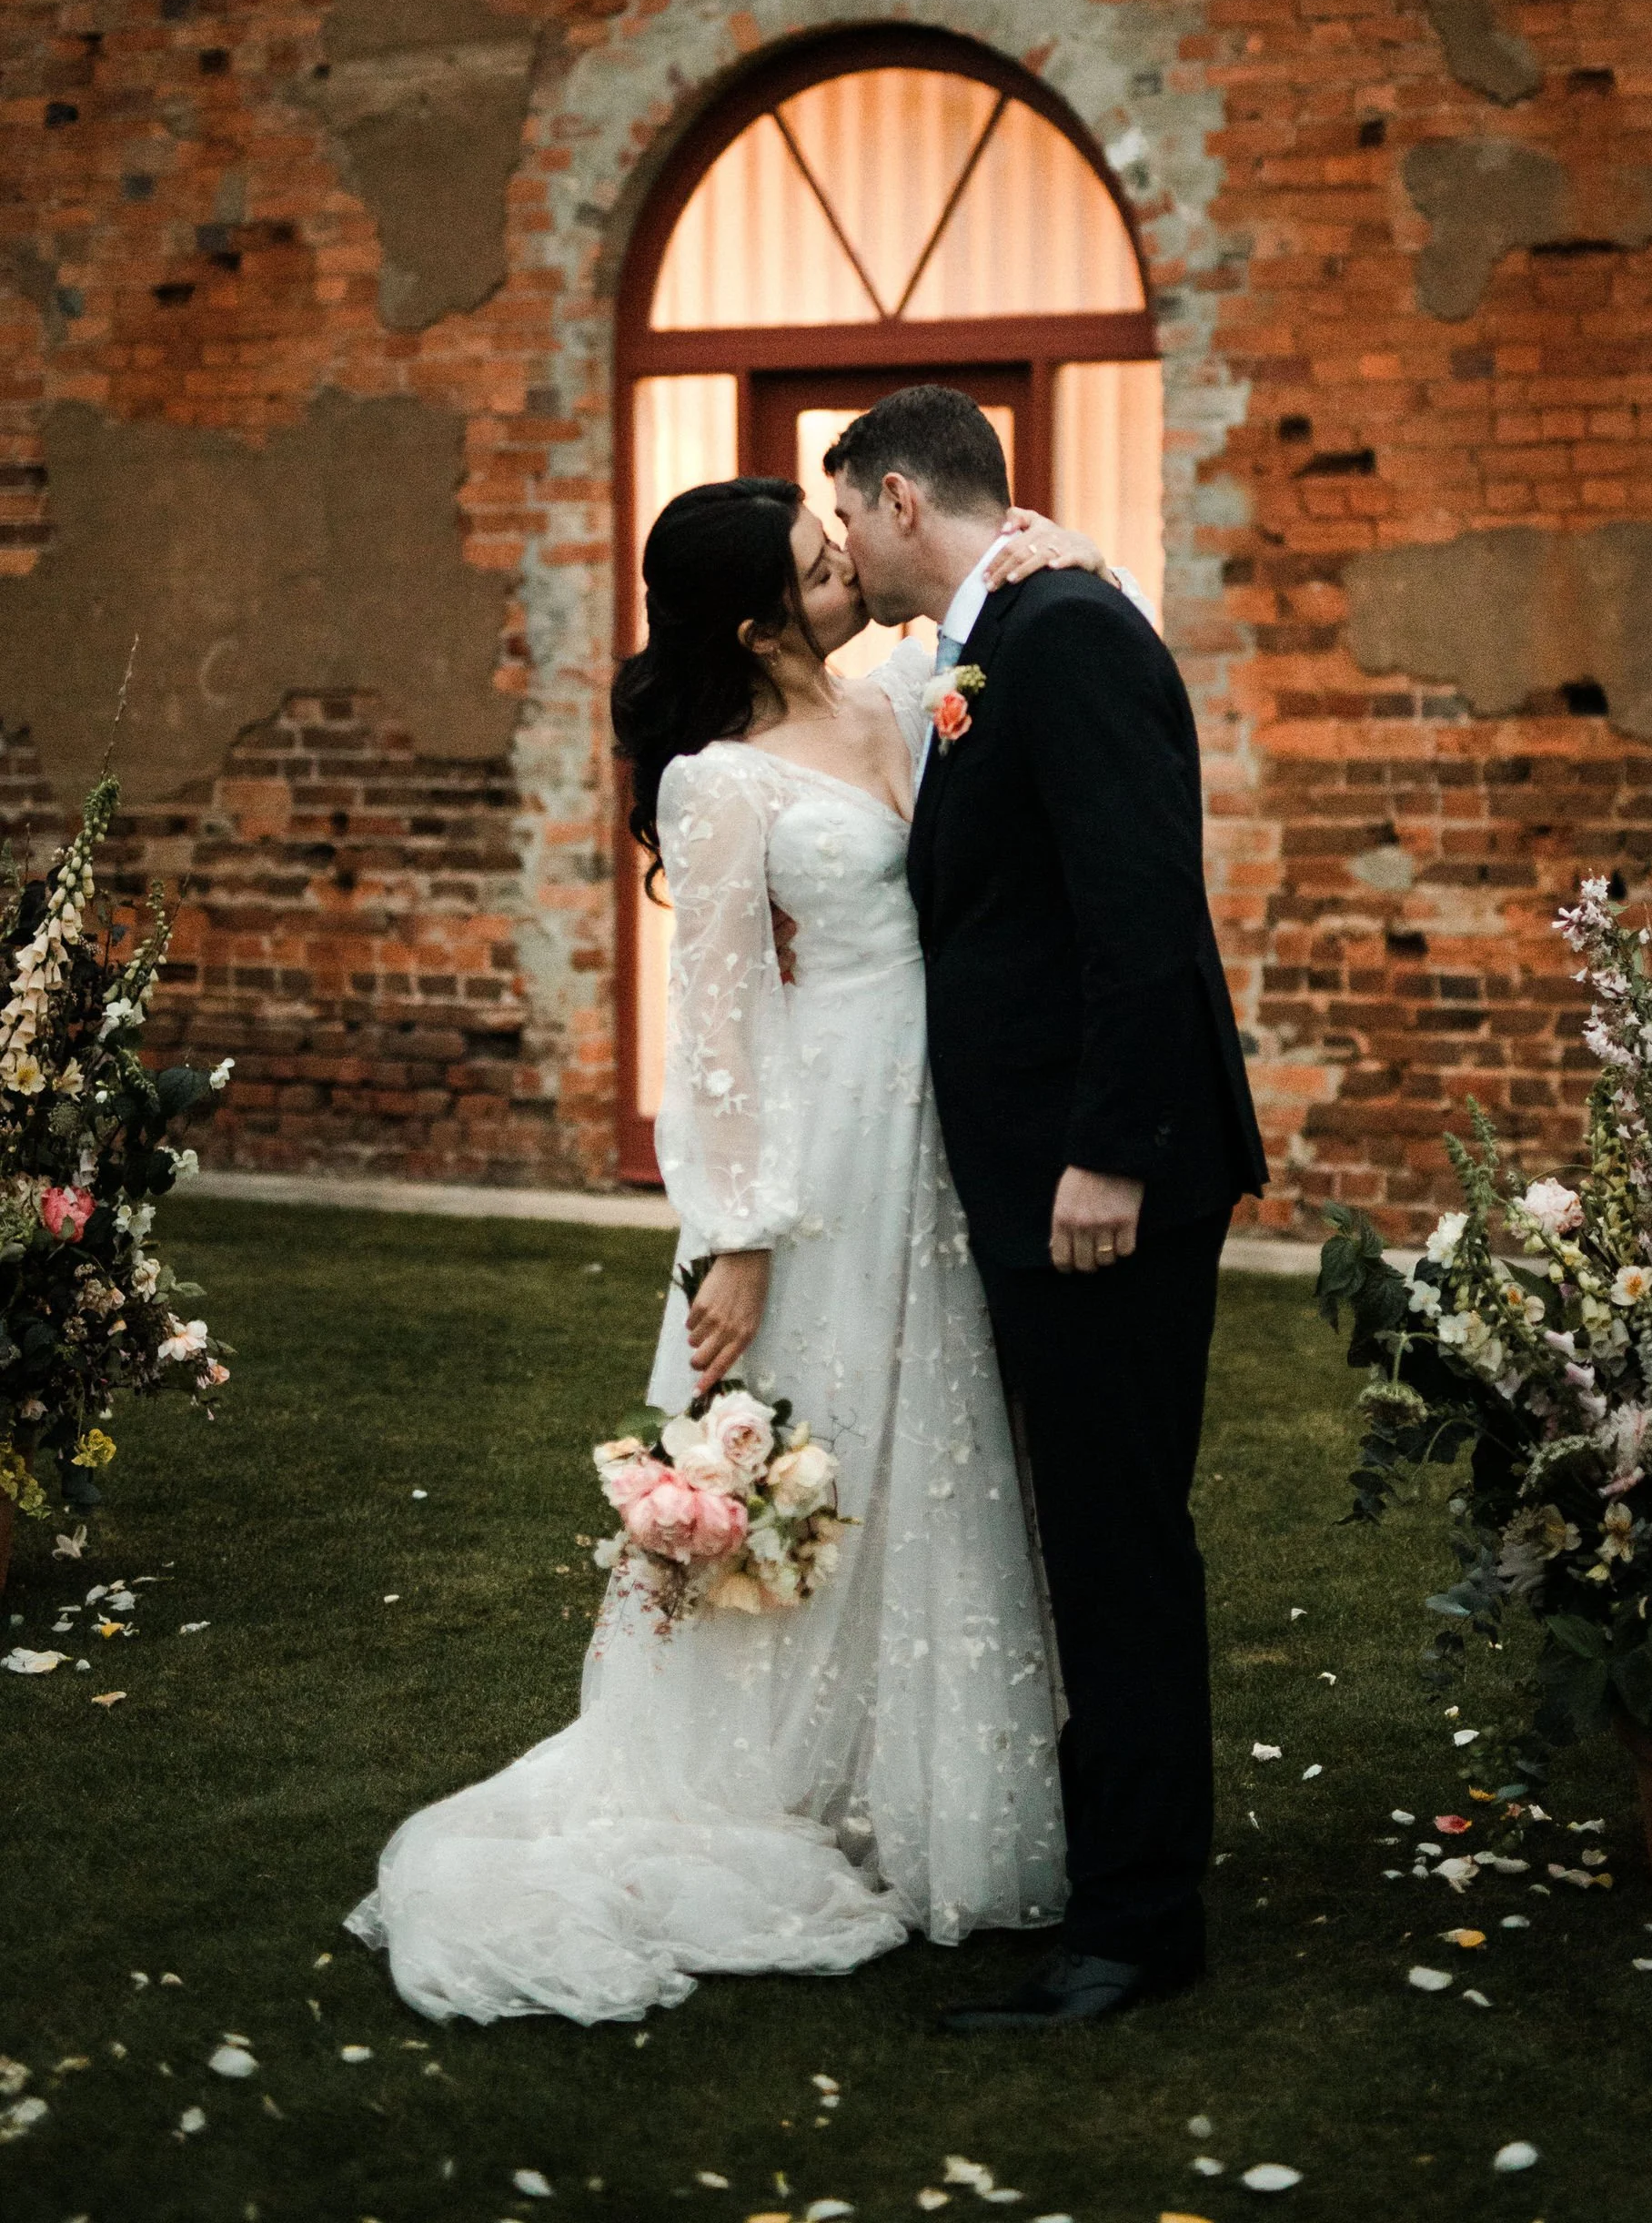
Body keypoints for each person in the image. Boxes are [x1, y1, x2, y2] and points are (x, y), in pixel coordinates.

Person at [345, 477, 1128, 2024]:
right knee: (820, 1435)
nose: (848, 561)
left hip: (947, 1128)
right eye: (816, 558)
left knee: (939, 1446)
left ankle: (926, 1783)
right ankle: (761, 1778)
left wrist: (1052, 546)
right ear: (758, 617)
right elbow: (715, 1032)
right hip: (828, 1138)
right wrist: (738, 1238)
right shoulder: (717, 782)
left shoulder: (907, 689)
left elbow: (1002, 578)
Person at [826, 384, 1267, 2031]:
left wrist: (1114, 1149)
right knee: (1091, 1529)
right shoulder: (995, 628)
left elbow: (1144, 899)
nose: (843, 553)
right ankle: (1117, 1874)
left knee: (1119, 1538)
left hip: (1106, 1178)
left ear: (892, 499)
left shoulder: (1067, 629)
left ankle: (1141, 1925)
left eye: (845, 523)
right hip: (1046, 1166)